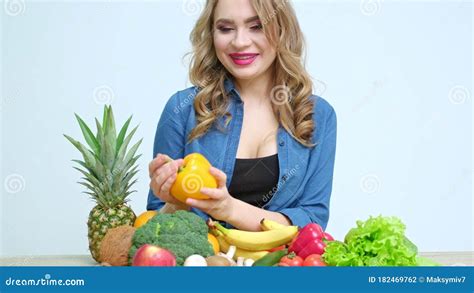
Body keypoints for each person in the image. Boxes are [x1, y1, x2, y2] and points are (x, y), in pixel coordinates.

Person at [147, 0, 337, 232]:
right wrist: (174, 201)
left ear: (283, 29)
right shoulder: (182, 109)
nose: (240, 42)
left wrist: (230, 210)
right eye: (225, 29)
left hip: (282, 266)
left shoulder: (317, 115)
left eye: (256, 26)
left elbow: (312, 219)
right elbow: (155, 225)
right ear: (211, 34)